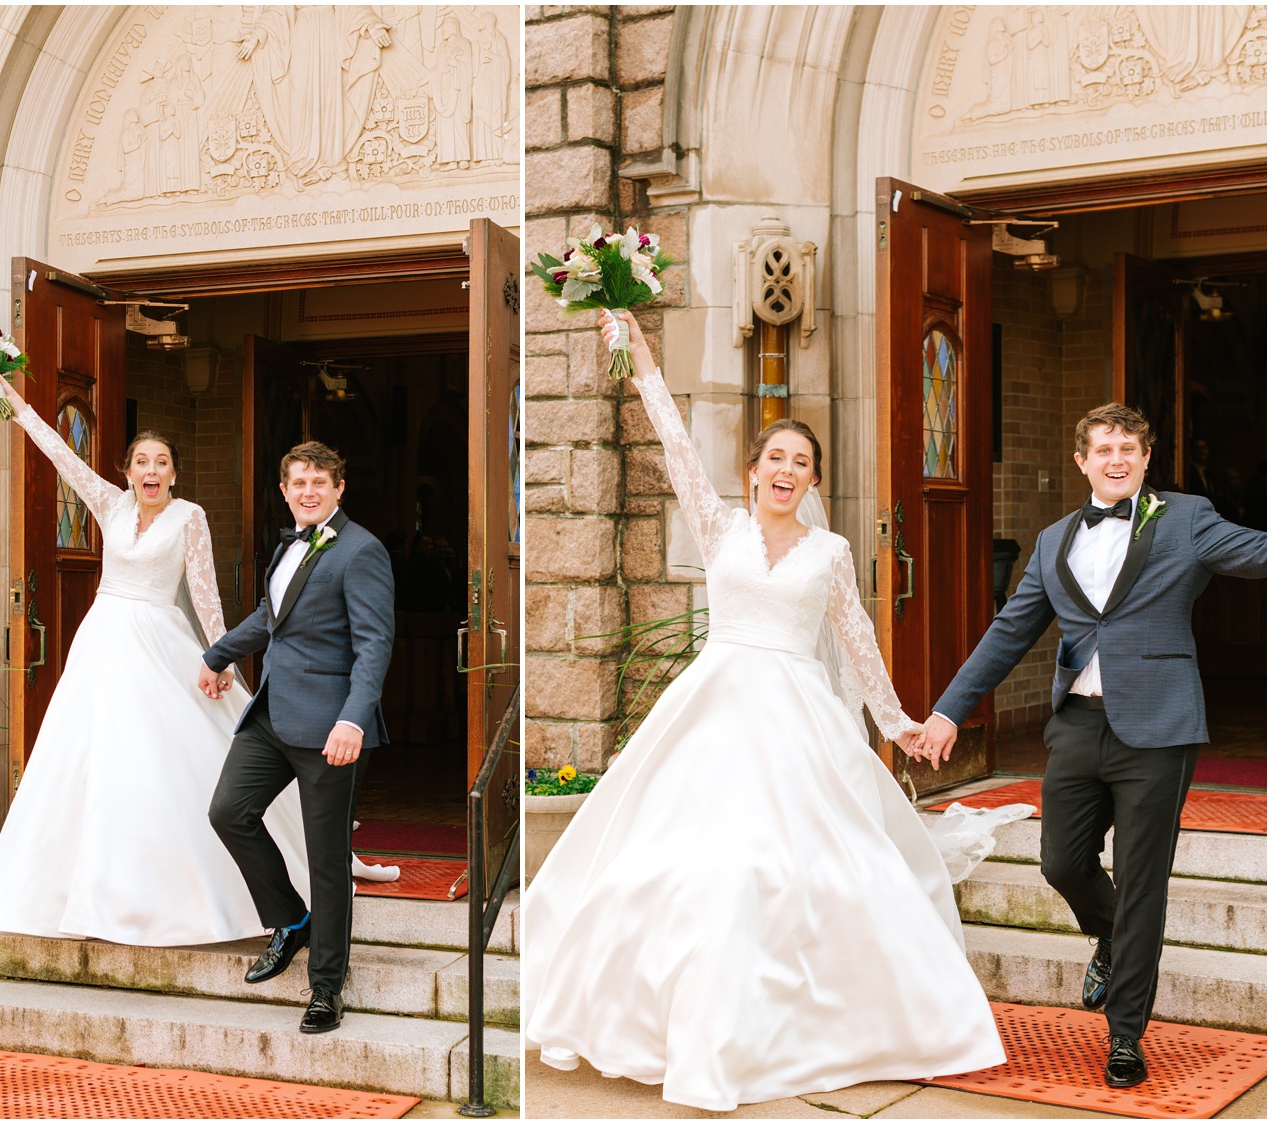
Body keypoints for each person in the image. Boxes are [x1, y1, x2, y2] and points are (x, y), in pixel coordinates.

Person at [523, 310, 1006, 1112]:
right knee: (692, 865)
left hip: (796, 721)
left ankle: (822, 1025)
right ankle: (672, 1025)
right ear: (752, 472)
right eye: (775, 458)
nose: (787, 470)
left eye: (802, 463)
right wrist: (644, 362)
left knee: (796, 868)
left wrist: (896, 724)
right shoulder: (721, 530)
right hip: (712, 709)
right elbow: (675, 448)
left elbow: (856, 643)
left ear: (813, 482)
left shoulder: (831, 553)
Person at [0, 378, 393, 948]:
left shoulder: (189, 516)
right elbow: (59, 453)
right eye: (142, 462)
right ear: (126, 471)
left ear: (174, 473)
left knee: (162, 763)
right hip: (101, 645)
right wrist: (11, 401)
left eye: (163, 462)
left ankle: (224, 898)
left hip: (158, 644)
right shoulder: (109, 504)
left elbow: (206, 595)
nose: (152, 471)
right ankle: (76, 891)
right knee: (86, 762)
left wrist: (222, 659)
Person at [922, 403, 1266, 1089]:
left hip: (1161, 728)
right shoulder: (1053, 541)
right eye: (1104, 448)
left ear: (1145, 458)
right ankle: (1110, 939)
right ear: (1082, 460)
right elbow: (1008, 634)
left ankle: (1126, 1036)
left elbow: (1258, 553)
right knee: (1062, 862)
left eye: (1130, 448)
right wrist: (948, 712)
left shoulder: (1187, 518)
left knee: (1143, 885)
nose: (1117, 458)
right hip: (1078, 726)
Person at [200, 441, 396, 1034]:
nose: (308, 492)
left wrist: (353, 719)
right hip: (272, 715)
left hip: (331, 728)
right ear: (284, 492)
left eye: (319, 482)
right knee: (228, 812)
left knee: (327, 861)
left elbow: (374, 644)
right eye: (298, 483)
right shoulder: (289, 546)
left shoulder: (362, 550)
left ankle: (326, 989)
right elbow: (272, 617)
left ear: (340, 488)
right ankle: (290, 918)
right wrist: (218, 654)